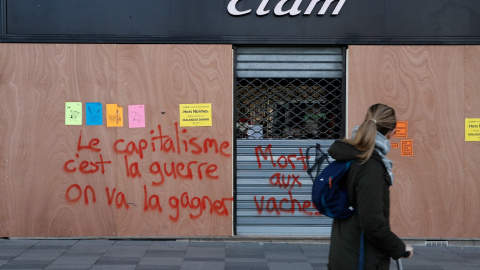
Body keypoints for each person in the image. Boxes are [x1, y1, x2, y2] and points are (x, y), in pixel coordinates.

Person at [327, 103, 413, 270]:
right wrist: (399, 248)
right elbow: (372, 223)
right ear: (391, 133)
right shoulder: (370, 165)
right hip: (361, 257)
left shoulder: (351, 155)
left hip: (344, 249)